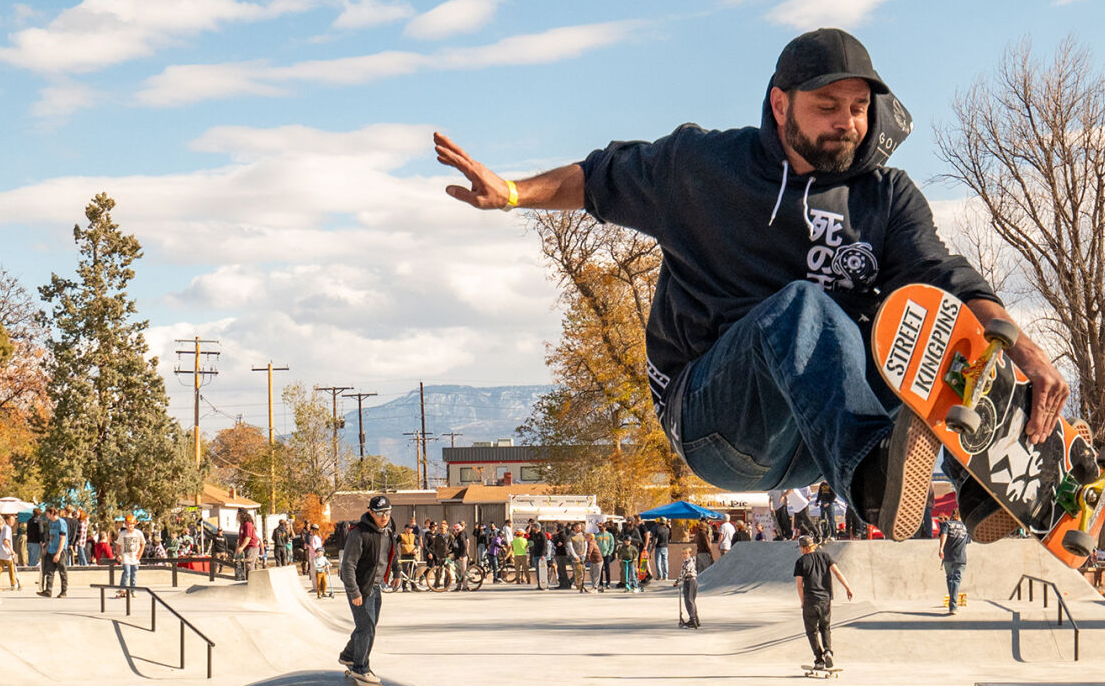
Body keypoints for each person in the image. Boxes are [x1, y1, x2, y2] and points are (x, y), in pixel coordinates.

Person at [434, 27, 1066, 546]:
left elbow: (943, 272)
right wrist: (515, 193)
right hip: (718, 420)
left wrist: (1022, 348)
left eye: (858, 108)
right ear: (780, 105)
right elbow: (600, 178)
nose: (847, 124)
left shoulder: (887, 198)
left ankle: (987, 482)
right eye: (827, 108)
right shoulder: (702, 169)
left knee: (926, 322)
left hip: (819, 433)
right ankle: (874, 480)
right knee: (801, 307)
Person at [338, 495, 397, 686]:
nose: (384, 517)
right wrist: (354, 592)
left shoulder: (388, 529)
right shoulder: (359, 533)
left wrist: (397, 571)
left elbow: (392, 552)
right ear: (371, 512)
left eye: (387, 513)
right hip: (360, 587)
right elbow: (347, 565)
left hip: (376, 585)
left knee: (369, 626)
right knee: (366, 628)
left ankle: (349, 655)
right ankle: (360, 668)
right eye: (379, 513)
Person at [794, 533, 853, 669]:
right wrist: (847, 588)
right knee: (825, 627)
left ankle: (819, 659)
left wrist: (802, 601)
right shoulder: (825, 556)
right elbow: (837, 573)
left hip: (810, 599)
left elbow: (799, 585)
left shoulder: (801, 562)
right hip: (825, 599)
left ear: (803, 548)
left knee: (811, 630)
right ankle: (828, 651)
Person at [937, 513, 969, 615]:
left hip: (948, 557)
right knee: (956, 581)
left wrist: (941, 549)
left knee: (950, 579)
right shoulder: (965, 526)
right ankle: (953, 606)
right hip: (960, 557)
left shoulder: (947, 524)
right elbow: (967, 541)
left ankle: (953, 605)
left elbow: (944, 535)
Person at [39, 504, 69, 598]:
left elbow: (62, 538)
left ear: (52, 513)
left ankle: (63, 591)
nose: (47, 515)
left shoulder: (61, 522)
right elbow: (50, 537)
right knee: (49, 571)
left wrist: (58, 553)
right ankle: (48, 590)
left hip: (60, 550)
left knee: (62, 571)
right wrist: (46, 548)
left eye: (48, 513)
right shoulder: (51, 523)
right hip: (51, 549)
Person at [116, 514, 145, 598]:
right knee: (127, 572)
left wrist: (140, 553)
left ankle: (133, 590)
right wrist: (119, 555)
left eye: (131, 524)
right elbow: (118, 545)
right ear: (125, 524)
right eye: (128, 524)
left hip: (135, 556)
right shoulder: (122, 533)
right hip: (125, 556)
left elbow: (143, 544)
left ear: (134, 524)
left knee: (134, 573)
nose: (130, 526)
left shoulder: (138, 533)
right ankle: (123, 588)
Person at [0, 514, 19, 593]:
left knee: (0, 567)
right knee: (11, 567)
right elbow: (5, 540)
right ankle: (13, 583)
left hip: (2, 551)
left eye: (13, 520)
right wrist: (11, 550)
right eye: (11, 520)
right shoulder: (7, 528)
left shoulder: (5, 527)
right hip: (6, 551)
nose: (13, 522)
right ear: (7, 520)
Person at [679, 549, 700, 628]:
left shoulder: (688, 562)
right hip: (690, 581)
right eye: (683, 553)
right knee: (691, 601)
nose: (684, 555)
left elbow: (684, 572)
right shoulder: (689, 561)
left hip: (690, 581)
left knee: (689, 601)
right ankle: (695, 618)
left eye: (686, 553)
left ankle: (693, 619)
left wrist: (678, 581)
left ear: (689, 554)